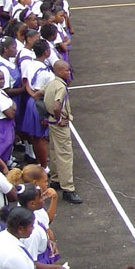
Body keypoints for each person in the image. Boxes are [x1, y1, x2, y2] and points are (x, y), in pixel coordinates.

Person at [44, 60, 81, 204]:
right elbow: (57, 105)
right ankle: (68, 188)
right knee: (65, 154)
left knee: (54, 150)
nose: (69, 72)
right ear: (59, 71)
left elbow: (39, 93)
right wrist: (59, 118)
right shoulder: (61, 87)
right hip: (59, 124)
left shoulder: (52, 83)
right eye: (66, 70)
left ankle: (55, 178)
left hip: (51, 122)